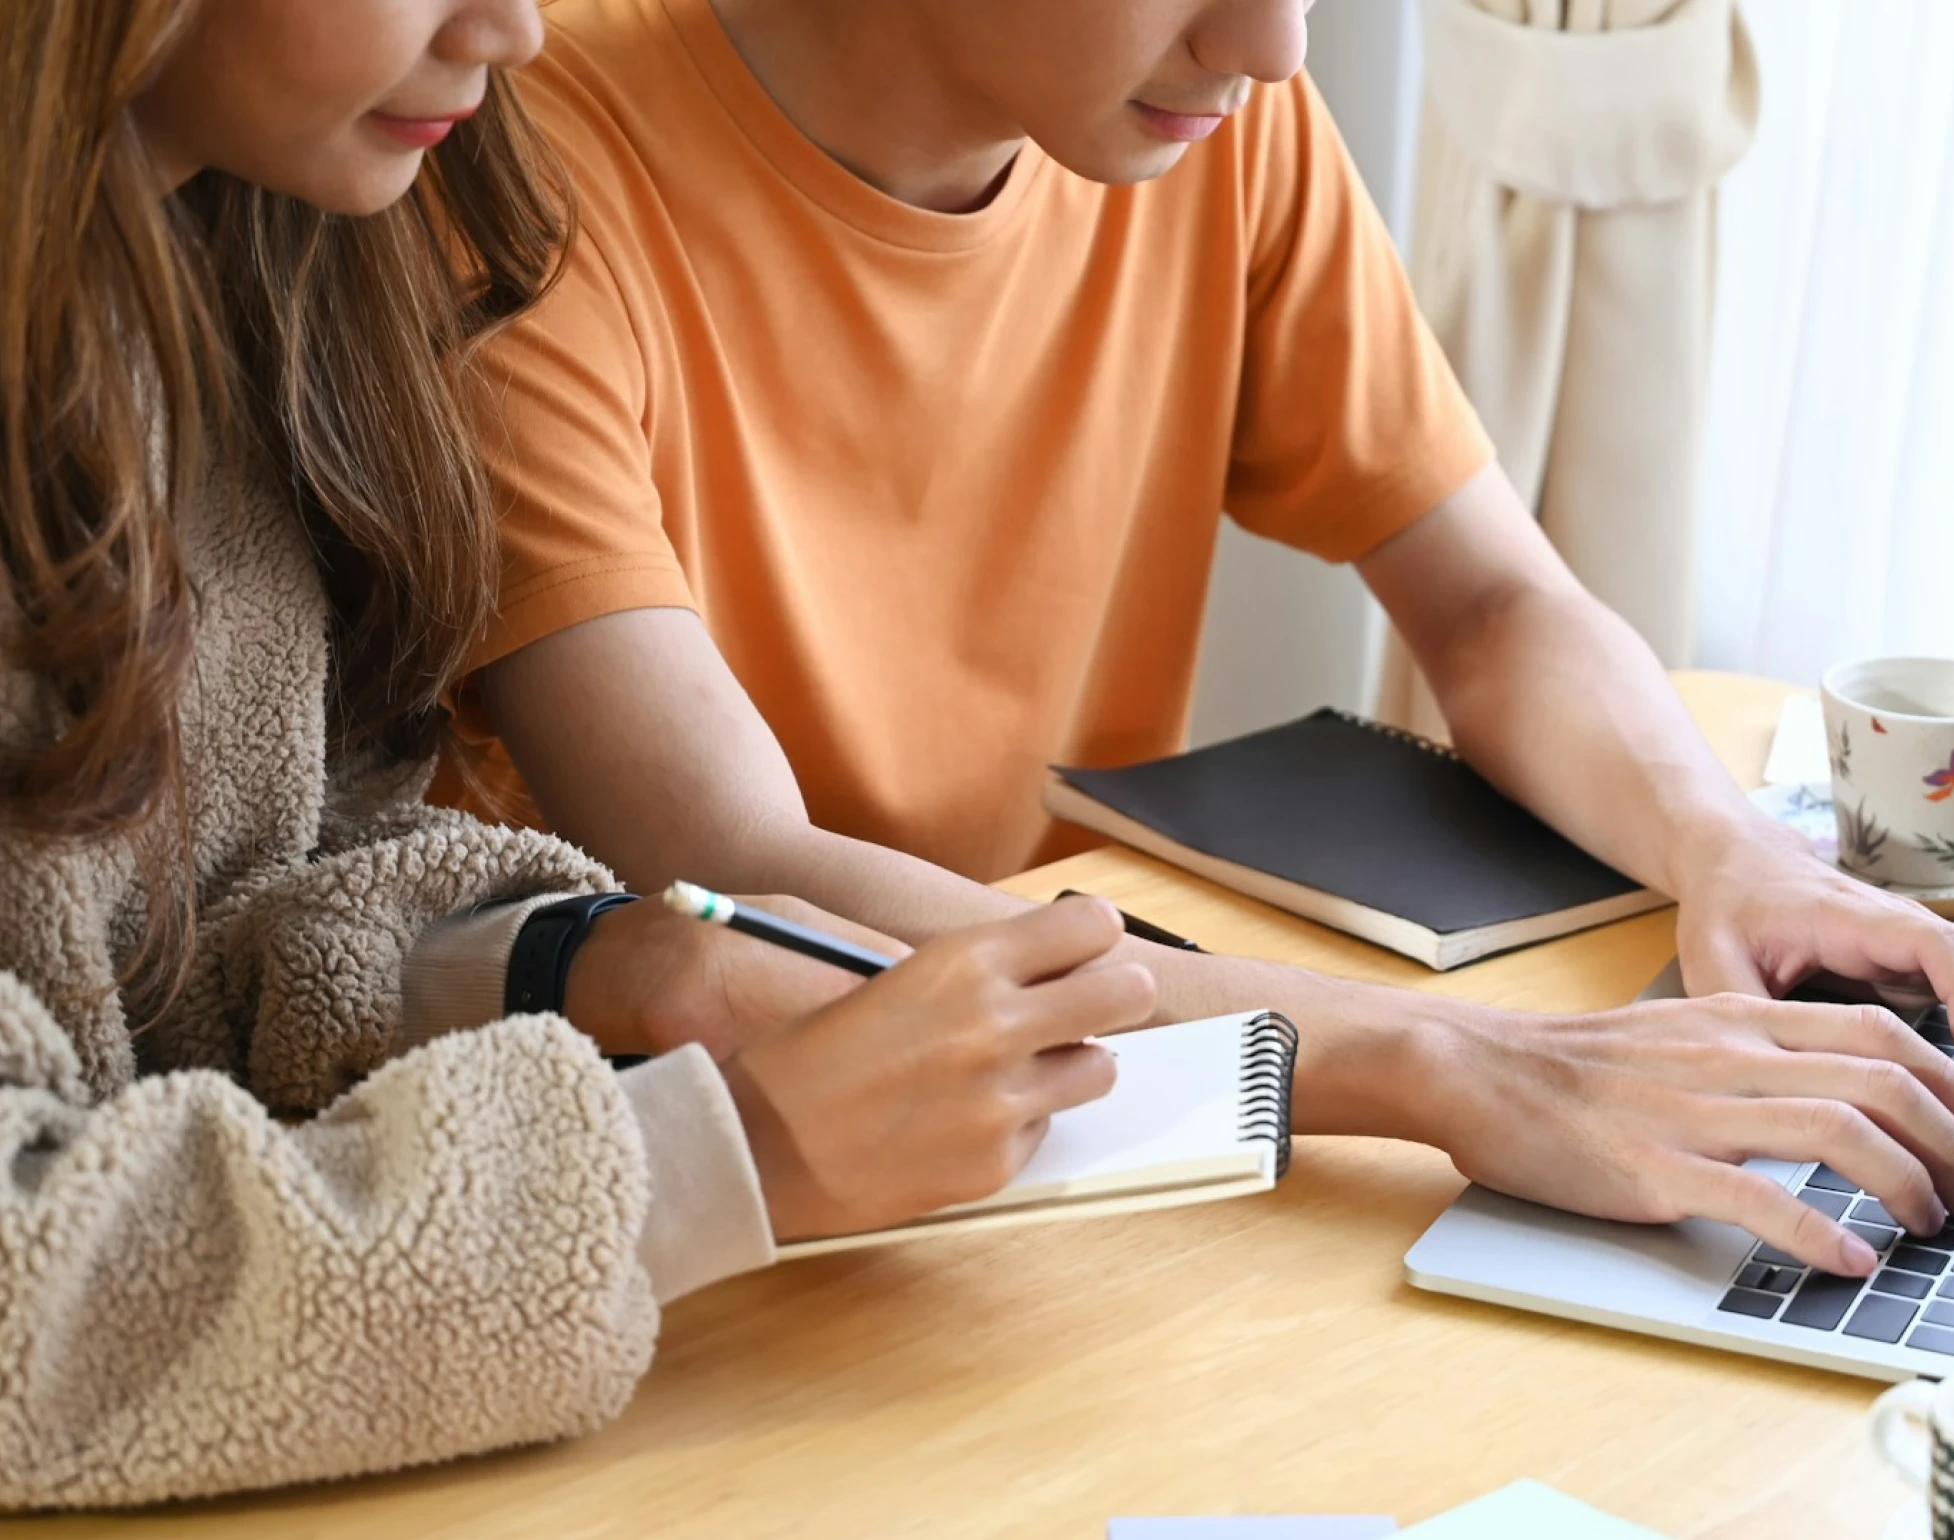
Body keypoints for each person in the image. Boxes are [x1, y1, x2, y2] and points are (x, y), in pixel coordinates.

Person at [449, 0, 1954, 1285]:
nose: (1274, 46)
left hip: (1087, 1107)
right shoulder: (514, 161)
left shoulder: (1209, 115)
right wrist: (1468, 1066)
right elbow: (745, 874)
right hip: (664, 1177)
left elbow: (1492, 602)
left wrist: (1732, 855)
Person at [0, 0, 1154, 1507]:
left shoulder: (232, 285)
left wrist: (585, 969)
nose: (519, 27)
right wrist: (719, 1157)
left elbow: (199, 936)